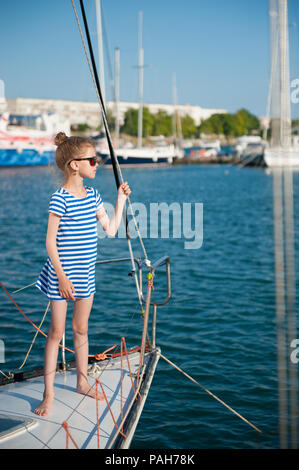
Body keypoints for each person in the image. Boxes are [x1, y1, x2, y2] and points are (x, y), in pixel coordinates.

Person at [34, 132, 131, 417]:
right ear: (74, 165)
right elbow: (50, 242)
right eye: (92, 159)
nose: (97, 163)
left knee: (81, 329)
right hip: (60, 275)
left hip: (86, 275)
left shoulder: (94, 196)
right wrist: (62, 278)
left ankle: (81, 382)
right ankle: (48, 394)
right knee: (56, 332)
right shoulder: (60, 198)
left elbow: (111, 230)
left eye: (97, 159)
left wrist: (120, 199)